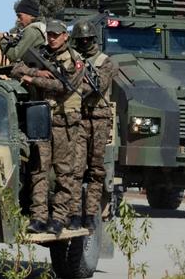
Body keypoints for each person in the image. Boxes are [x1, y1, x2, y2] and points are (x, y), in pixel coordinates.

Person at [11, 20, 86, 235]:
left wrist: (32, 79)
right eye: (50, 35)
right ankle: (39, 217)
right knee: (39, 170)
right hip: (41, 120)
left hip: (63, 123)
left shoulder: (74, 61)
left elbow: (63, 87)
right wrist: (37, 73)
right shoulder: (39, 53)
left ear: (65, 36)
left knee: (63, 172)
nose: (52, 38)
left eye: (56, 35)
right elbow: (16, 67)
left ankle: (60, 217)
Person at [71, 19, 116, 231]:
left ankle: (90, 213)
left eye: (88, 39)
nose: (85, 43)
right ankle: (73, 213)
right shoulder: (72, 58)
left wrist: (74, 84)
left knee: (96, 170)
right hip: (79, 118)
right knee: (76, 169)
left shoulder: (106, 61)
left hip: (99, 119)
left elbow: (97, 85)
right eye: (81, 40)